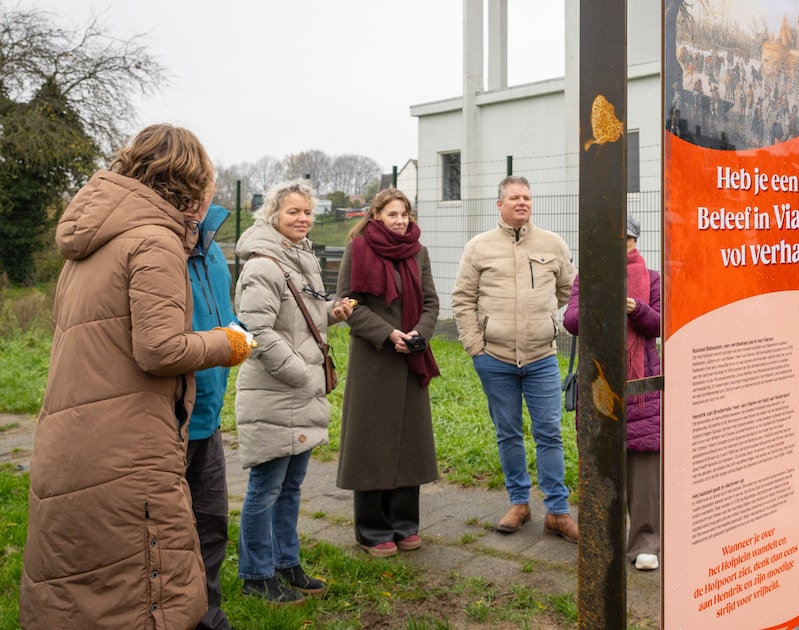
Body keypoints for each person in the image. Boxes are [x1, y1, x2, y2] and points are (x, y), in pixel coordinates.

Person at [20, 124, 252, 629]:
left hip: (77, 435)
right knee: (149, 590)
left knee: (87, 585)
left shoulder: (91, 243)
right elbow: (160, 347)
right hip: (131, 443)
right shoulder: (153, 240)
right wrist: (230, 343)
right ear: (191, 180)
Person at [233, 179, 353, 604]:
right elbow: (256, 329)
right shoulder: (264, 264)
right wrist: (302, 373)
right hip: (275, 391)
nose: (303, 219)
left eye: (307, 212)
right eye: (293, 212)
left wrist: (331, 313)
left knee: (290, 487)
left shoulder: (300, 257)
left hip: (299, 392)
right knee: (265, 489)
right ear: (274, 216)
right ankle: (255, 575)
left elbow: (300, 319)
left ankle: (287, 563)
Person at [451, 175, 580, 543]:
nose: (521, 202)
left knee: (549, 434)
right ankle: (519, 503)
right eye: (514, 198)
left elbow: (569, 290)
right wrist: (476, 347)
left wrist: (542, 318)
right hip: (495, 358)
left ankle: (557, 511)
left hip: (541, 358)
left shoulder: (552, 244)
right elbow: (462, 300)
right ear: (499, 205)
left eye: (526, 197)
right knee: (508, 434)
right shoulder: (479, 247)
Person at [336, 188, 440, 558]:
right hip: (374, 360)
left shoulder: (419, 252)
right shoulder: (358, 249)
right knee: (372, 443)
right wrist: (386, 333)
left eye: (405, 214)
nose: (400, 220)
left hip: (410, 358)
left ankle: (404, 524)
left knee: (408, 444)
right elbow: (347, 303)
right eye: (393, 214)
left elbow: (430, 302)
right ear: (376, 216)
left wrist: (419, 335)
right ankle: (372, 529)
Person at [562, 216, 662, 570]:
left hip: (641, 385)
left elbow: (662, 323)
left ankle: (646, 543)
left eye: (626, 239)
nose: (621, 246)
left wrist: (639, 310)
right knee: (600, 461)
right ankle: (601, 538)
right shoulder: (586, 278)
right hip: (599, 382)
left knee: (645, 465)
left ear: (635, 242)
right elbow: (571, 322)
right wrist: (596, 301)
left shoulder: (652, 279)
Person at [186, 202, 238, 629]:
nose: (203, 199)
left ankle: (209, 617)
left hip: (210, 409)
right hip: (167, 418)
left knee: (211, 526)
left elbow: (224, 314)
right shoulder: (158, 245)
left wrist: (238, 337)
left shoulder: (213, 247)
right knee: (168, 536)